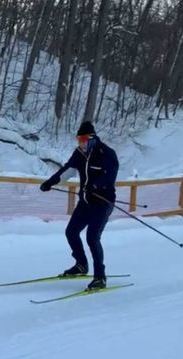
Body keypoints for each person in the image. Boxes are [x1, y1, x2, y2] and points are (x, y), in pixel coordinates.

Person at [40, 121, 119, 290]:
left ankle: (100, 277)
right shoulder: (79, 154)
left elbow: (110, 176)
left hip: (103, 202)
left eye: (83, 139)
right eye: (78, 139)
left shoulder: (106, 153)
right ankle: (81, 264)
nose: (80, 143)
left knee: (92, 237)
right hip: (86, 201)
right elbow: (66, 171)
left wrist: (96, 185)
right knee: (71, 232)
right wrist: (50, 183)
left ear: (92, 138)